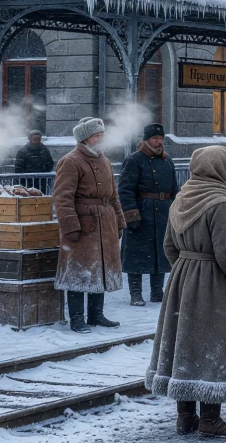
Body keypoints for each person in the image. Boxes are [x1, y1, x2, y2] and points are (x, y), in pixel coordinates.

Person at [146, 146, 226, 437]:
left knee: (185, 345)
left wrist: (186, 268)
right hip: (212, 281)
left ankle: (185, 418)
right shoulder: (221, 201)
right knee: (212, 345)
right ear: (223, 169)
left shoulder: (181, 198)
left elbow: (169, 246)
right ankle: (210, 420)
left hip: (182, 277)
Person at [53, 117, 127, 333]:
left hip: (105, 222)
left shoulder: (104, 160)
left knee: (100, 269)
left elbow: (113, 196)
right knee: (78, 272)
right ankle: (77, 318)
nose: (101, 138)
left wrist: (119, 221)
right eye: (97, 135)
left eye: (102, 135)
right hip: (83, 224)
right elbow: (62, 197)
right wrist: (70, 226)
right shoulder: (71, 161)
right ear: (85, 138)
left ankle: (96, 315)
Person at [119, 123, 176, 306]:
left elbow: (174, 188)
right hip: (142, 212)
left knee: (161, 253)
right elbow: (126, 190)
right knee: (136, 254)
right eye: (155, 138)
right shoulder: (134, 160)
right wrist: (131, 214)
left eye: (160, 139)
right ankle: (135, 293)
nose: (158, 142)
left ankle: (157, 292)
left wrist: (177, 209)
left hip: (163, 213)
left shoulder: (168, 160)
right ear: (146, 140)